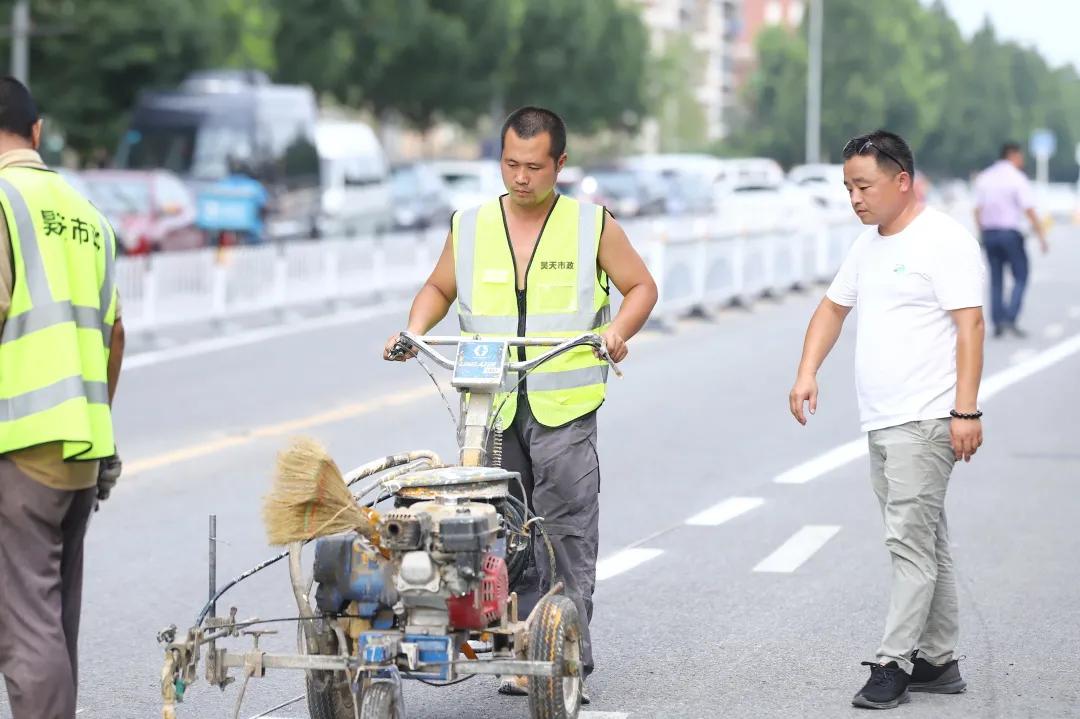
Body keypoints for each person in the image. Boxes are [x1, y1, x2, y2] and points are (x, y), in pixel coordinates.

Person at [384, 106, 657, 700]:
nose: (521, 177)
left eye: (535, 166)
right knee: (501, 532)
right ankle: (519, 650)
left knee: (565, 533)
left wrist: (618, 334)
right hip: (492, 404)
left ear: (560, 163)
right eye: (510, 163)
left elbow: (641, 288)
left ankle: (564, 660)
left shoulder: (592, 225)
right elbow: (438, 287)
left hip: (563, 406)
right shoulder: (472, 224)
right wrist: (414, 330)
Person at [788, 130, 985, 710]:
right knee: (927, 542)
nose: (855, 197)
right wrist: (807, 371)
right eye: (848, 186)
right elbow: (832, 307)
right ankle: (939, 660)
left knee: (908, 545)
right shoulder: (869, 244)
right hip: (883, 419)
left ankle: (894, 663)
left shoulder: (942, 240)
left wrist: (966, 410)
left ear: (902, 180)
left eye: (864, 185)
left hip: (924, 418)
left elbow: (970, 326)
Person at [0, 76, 124, 719]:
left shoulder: (1, 201)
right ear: (38, 131)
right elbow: (114, 332)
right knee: (51, 619)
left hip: (16, 447)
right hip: (79, 448)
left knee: (24, 628)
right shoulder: (85, 213)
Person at [974, 142, 1049, 338]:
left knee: (996, 278)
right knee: (1021, 275)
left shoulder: (985, 177)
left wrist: (982, 232)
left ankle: (997, 321)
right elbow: (1029, 209)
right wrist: (1041, 235)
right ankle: (1010, 317)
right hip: (1009, 233)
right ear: (1013, 155)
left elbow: (977, 210)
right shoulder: (1017, 178)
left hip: (990, 233)